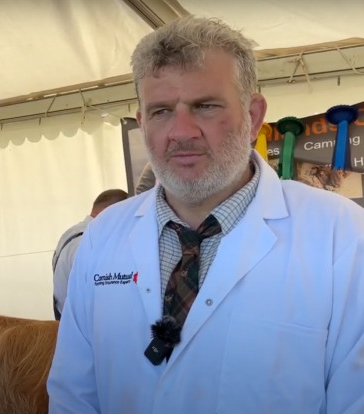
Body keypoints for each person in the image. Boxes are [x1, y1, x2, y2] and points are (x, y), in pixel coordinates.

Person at [47, 17, 364, 413]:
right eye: (161, 111)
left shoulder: (340, 235)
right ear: (142, 122)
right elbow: (73, 394)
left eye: (205, 106)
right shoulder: (103, 235)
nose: (181, 131)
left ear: (253, 116)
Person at [51, 189, 128, 320]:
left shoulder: (71, 233)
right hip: (84, 327)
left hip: (67, 320)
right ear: (113, 211)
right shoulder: (92, 243)